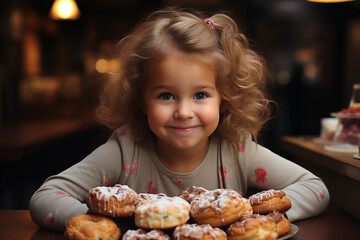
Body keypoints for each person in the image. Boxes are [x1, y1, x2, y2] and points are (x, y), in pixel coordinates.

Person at [29, 7, 329, 231]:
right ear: (141, 100)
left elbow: (315, 188)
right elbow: (45, 197)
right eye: (166, 96)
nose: (184, 112)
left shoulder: (236, 150)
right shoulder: (125, 149)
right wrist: (97, 224)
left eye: (200, 95)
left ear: (224, 98)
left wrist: (249, 216)